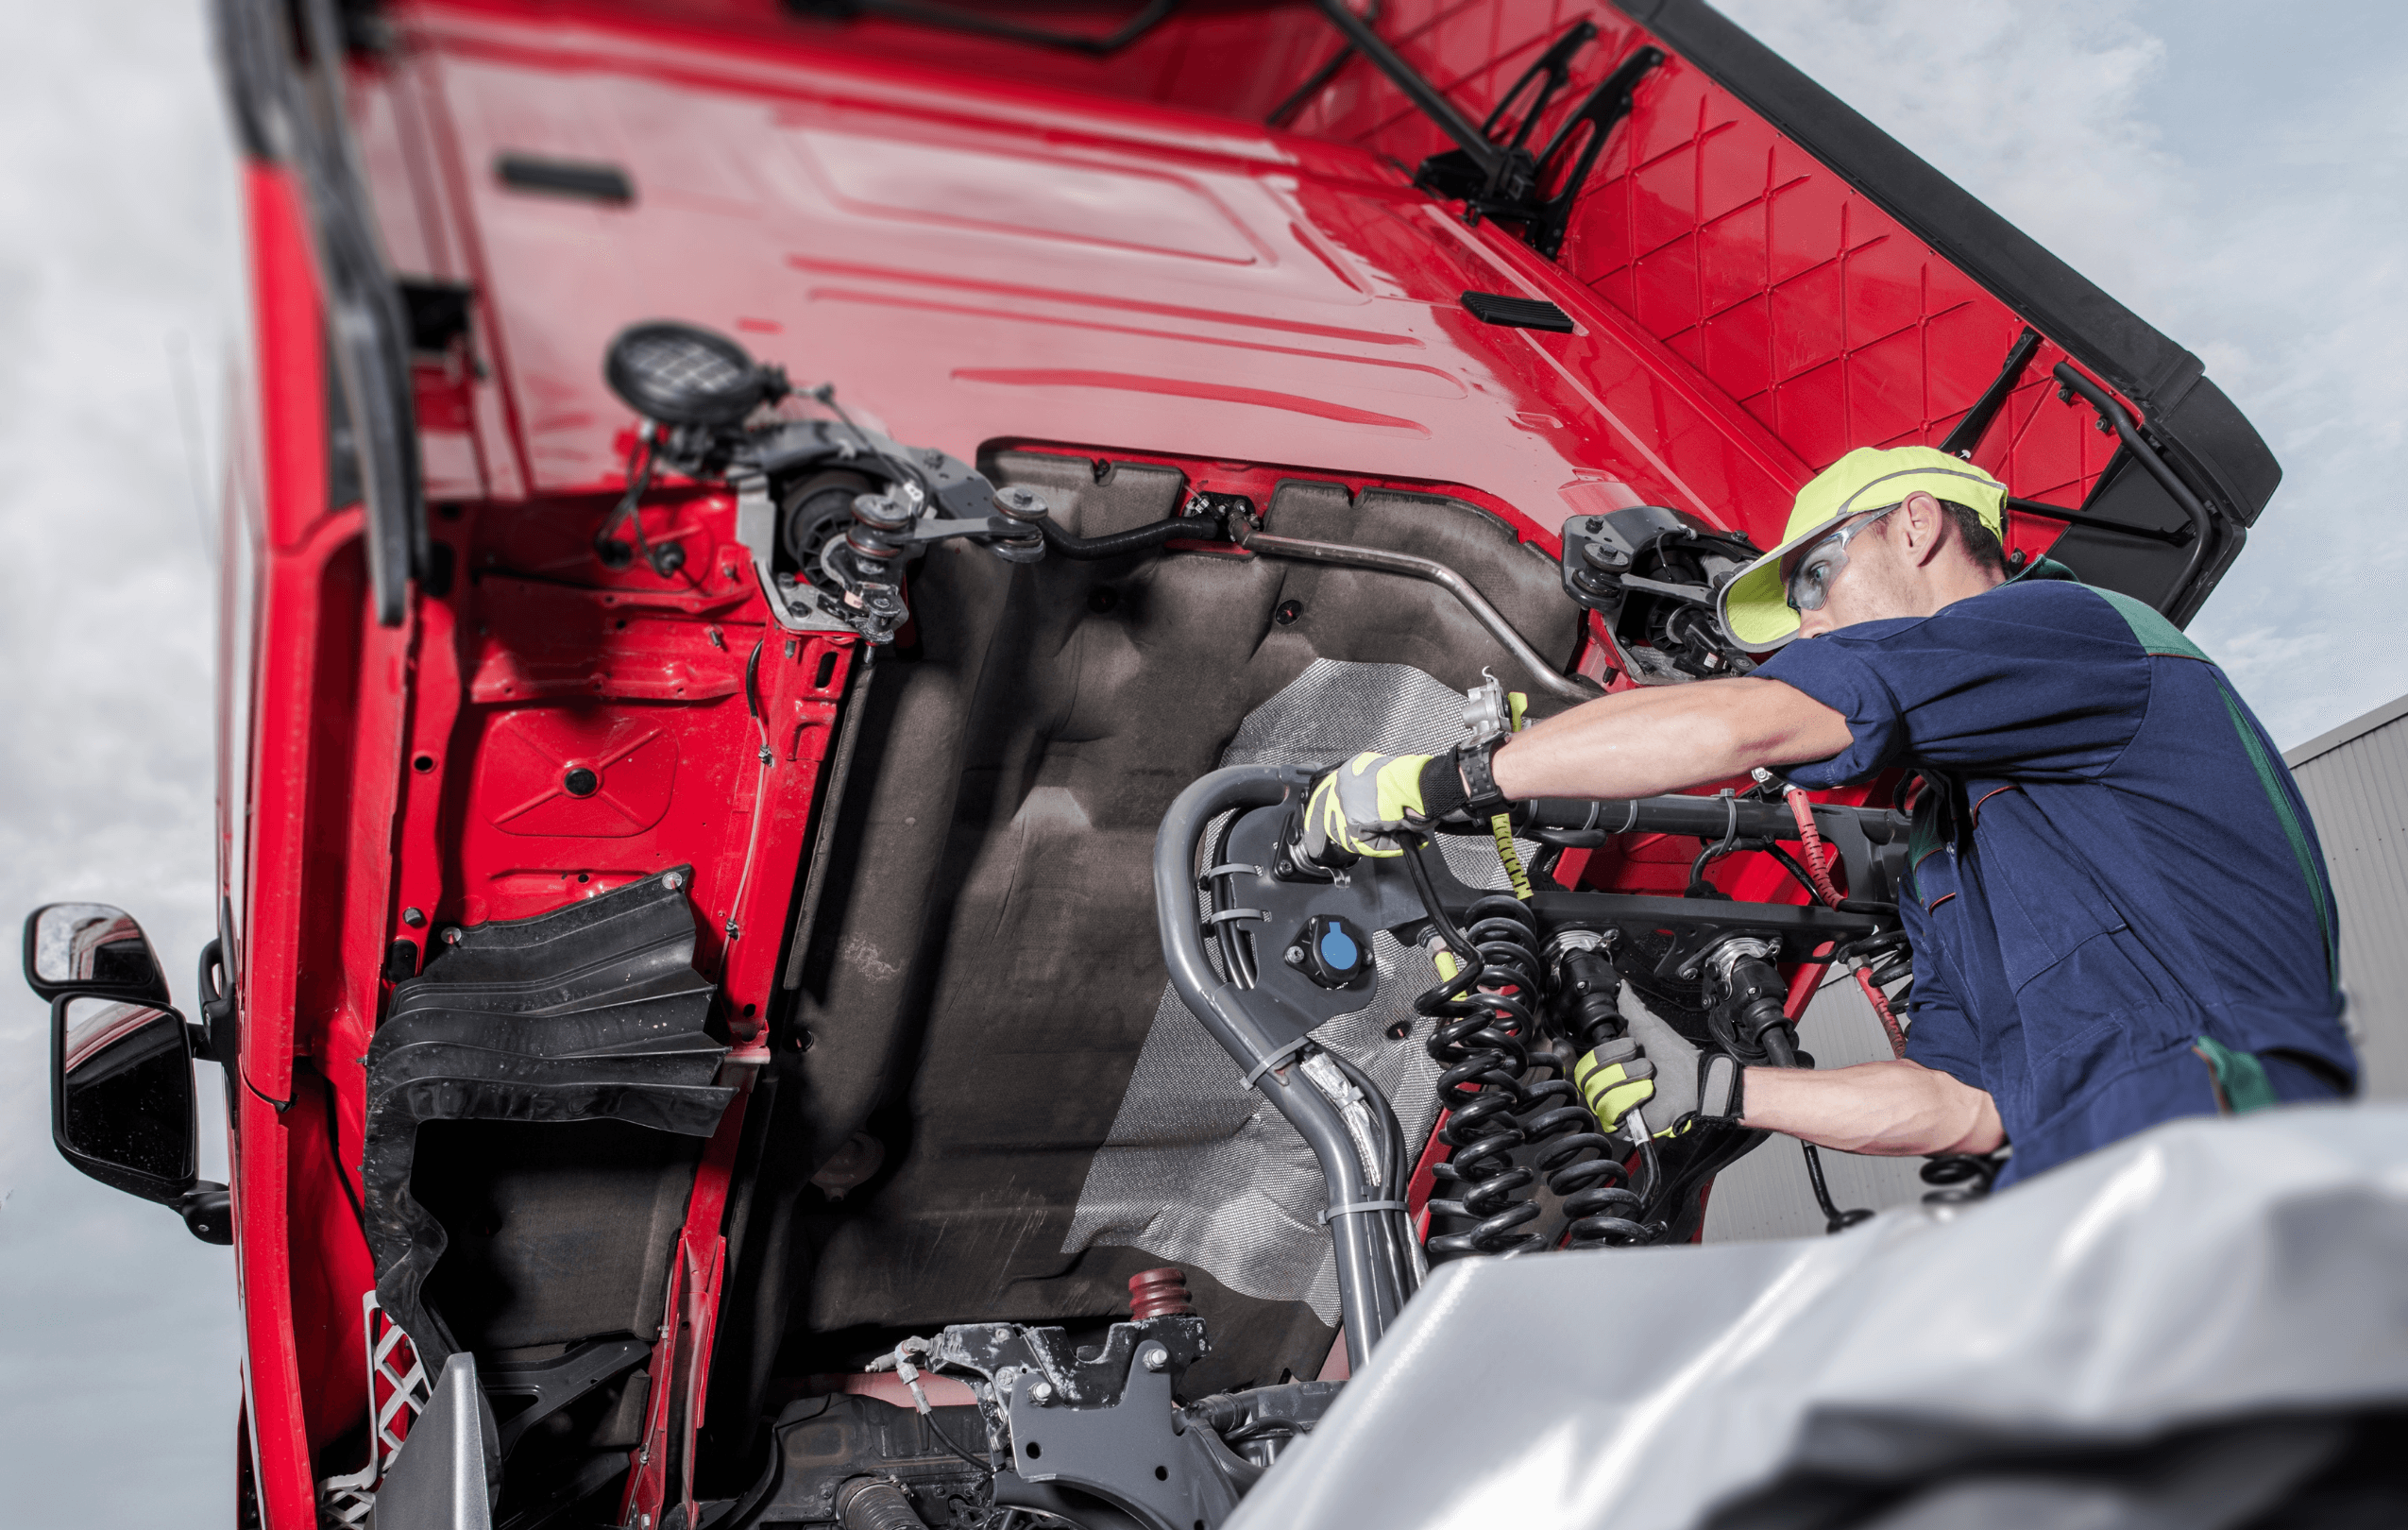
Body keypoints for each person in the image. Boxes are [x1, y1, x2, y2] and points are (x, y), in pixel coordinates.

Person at [1303, 445, 2355, 1188]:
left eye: (1815, 574)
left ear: (1917, 523)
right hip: (2102, 1200)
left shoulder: (2072, 630)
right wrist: (1711, 1083)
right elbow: (1957, 1104)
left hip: (2225, 1170)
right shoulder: (1955, 839)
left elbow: (1759, 722)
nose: (1808, 620)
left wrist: (1439, 783)